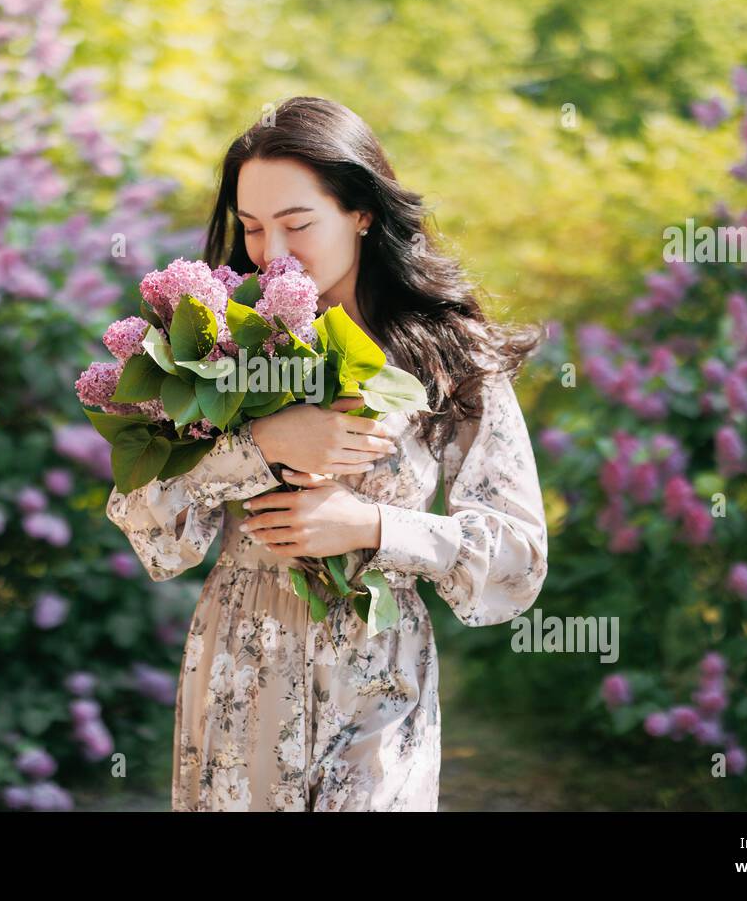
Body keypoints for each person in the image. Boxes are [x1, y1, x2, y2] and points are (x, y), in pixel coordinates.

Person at [105, 96, 548, 811]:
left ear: (362, 211)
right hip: (239, 673)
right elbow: (148, 526)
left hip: (378, 681)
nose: (271, 250)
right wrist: (259, 445)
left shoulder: (449, 352)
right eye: (251, 227)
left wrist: (374, 528)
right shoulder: (215, 341)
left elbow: (517, 560)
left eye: (298, 222)